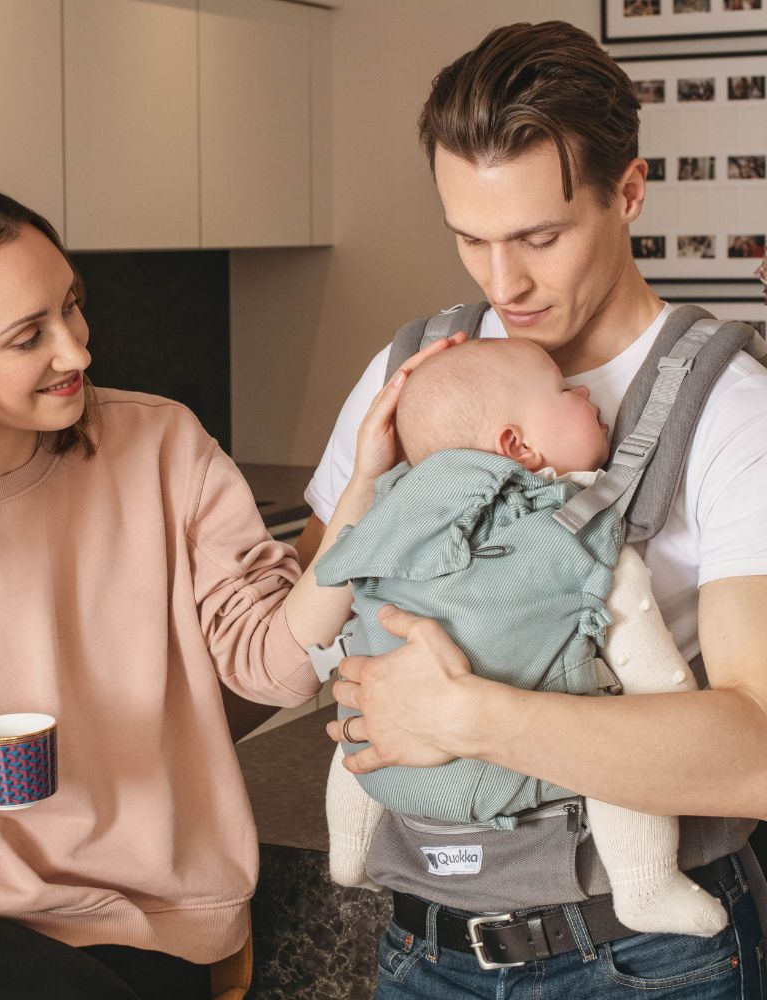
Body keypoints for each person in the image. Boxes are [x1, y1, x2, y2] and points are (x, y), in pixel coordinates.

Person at [295, 20, 767, 999]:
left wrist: (467, 714)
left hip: (645, 961)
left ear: (627, 191)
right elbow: (326, 633)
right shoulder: (412, 373)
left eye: (537, 238)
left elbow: (753, 754)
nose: (499, 282)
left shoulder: (731, 412)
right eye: (468, 237)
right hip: (423, 946)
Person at [0, 182, 443, 1000]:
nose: (76, 351)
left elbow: (271, 668)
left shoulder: (161, 447)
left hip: (150, 917)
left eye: (72, 307)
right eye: (27, 337)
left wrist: (364, 489)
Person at [321, 336, 728, 938]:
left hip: (391, 763)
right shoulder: (579, 535)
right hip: (528, 774)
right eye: (566, 390)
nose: (586, 391)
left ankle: (349, 851)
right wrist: (673, 711)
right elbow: (654, 672)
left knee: (363, 698)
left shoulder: (393, 518)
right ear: (519, 446)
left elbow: (334, 607)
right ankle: (645, 884)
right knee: (622, 744)